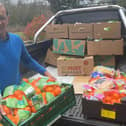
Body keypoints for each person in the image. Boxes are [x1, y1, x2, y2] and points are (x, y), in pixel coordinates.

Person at [0, 3, 56, 118]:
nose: (0, 23)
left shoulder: (16, 40)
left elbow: (28, 61)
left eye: (2, 18)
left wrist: (47, 73)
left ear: (7, 18)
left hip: (18, 97)